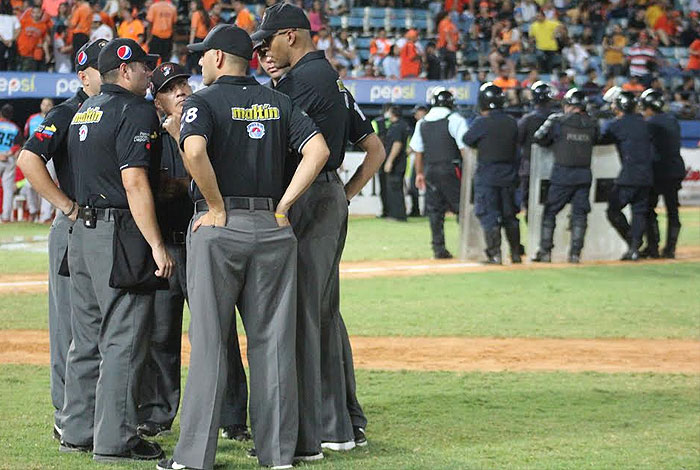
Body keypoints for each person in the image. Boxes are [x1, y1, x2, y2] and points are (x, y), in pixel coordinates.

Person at [157, 24, 329, 470]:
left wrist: (214, 205)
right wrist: (285, 205)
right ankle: (277, 456)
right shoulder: (279, 100)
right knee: (273, 345)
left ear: (217, 58)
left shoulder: (203, 101)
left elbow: (194, 151)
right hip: (272, 227)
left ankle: (193, 458)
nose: (197, 63)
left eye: (201, 55)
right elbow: (319, 151)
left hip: (220, 227)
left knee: (212, 343)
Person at [252, 2, 385, 458]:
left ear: (291, 35)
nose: (262, 54)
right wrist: (343, 195)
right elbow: (376, 150)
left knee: (304, 314)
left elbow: (291, 151)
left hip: (305, 198)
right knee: (324, 312)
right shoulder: (330, 77)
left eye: (267, 43)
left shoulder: (301, 82)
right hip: (325, 196)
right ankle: (346, 421)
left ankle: (324, 426)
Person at [59, 37, 172, 462]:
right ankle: (115, 440)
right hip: (117, 232)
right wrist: (157, 244)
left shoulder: (84, 110)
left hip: (81, 234)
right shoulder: (135, 108)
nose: (149, 74)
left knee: (86, 340)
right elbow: (134, 181)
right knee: (123, 338)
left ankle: (77, 430)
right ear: (125, 70)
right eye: (145, 67)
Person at [16, 39, 105, 441]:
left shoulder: (119, 110)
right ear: (84, 75)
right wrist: (66, 206)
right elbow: (28, 158)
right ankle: (66, 417)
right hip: (73, 227)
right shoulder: (68, 112)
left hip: (107, 231)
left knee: (106, 329)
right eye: (103, 68)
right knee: (70, 329)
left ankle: (99, 414)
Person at [134, 61, 193, 439]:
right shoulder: (148, 134)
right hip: (166, 244)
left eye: (184, 83)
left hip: (201, 240)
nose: (182, 91)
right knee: (161, 335)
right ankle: (158, 414)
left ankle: (231, 416)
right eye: (171, 88)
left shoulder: (208, 123)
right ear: (158, 100)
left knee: (215, 334)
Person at [531, 88, 599, 263]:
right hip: (584, 175)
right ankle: (575, 254)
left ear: (569, 105)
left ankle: (545, 252)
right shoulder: (592, 123)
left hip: (562, 174)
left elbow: (538, 137)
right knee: (580, 214)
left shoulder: (558, 121)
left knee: (550, 212)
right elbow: (597, 140)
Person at [464, 83, 521, 264]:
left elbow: (467, 139)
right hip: (509, 175)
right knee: (509, 215)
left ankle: (495, 254)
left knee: (488, 214)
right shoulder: (512, 122)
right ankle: (516, 253)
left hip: (488, 175)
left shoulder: (482, 122)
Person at [411, 88, 468, 259]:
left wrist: (419, 173)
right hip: (451, 169)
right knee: (461, 209)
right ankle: (467, 245)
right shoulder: (454, 119)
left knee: (435, 211)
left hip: (430, 170)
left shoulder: (422, 122)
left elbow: (418, 151)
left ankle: (438, 248)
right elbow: (464, 148)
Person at [600, 88, 654, 261]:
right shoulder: (646, 123)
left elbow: (601, 137)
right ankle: (634, 248)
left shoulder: (617, 124)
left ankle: (632, 241)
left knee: (613, 210)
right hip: (647, 176)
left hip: (629, 176)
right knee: (639, 212)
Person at [639, 88, 686, 259]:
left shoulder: (650, 124)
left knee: (648, 209)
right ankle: (670, 249)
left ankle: (652, 247)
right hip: (674, 171)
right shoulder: (672, 120)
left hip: (657, 172)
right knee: (673, 210)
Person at [517, 81, 554, 217]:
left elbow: (518, 140)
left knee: (529, 204)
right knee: (549, 205)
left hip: (529, 166)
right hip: (551, 167)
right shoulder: (556, 118)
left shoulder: (527, 119)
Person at [382, 105, 410, 221]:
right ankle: (399, 214)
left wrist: (389, 161)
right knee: (397, 188)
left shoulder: (396, 127)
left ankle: (397, 215)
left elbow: (397, 144)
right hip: (401, 162)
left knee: (394, 189)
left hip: (396, 163)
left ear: (392, 113)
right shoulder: (404, 125)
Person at [0, 103, 22, 222]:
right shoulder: (15, 128)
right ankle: (6, 217)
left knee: (7, 189)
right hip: (9, 158)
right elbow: (17, 145)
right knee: (8, 189)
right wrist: (7, 154)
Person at [406, 105, 427, 217]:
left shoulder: (422, 123)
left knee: (415, 185)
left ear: (423, 111)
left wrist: (405, 154)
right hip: (430, 158)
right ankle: (425, 211)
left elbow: (414, 146)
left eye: (416, 112)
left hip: (422, 159)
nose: (415, 115)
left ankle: (416, 210)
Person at [372, 103, 392, 218]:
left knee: (384, 186)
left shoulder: (376, 122)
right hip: (395, 158)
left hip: (381, 157)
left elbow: (373, 140)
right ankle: (393, 211)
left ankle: (386, 211)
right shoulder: (396, 122)